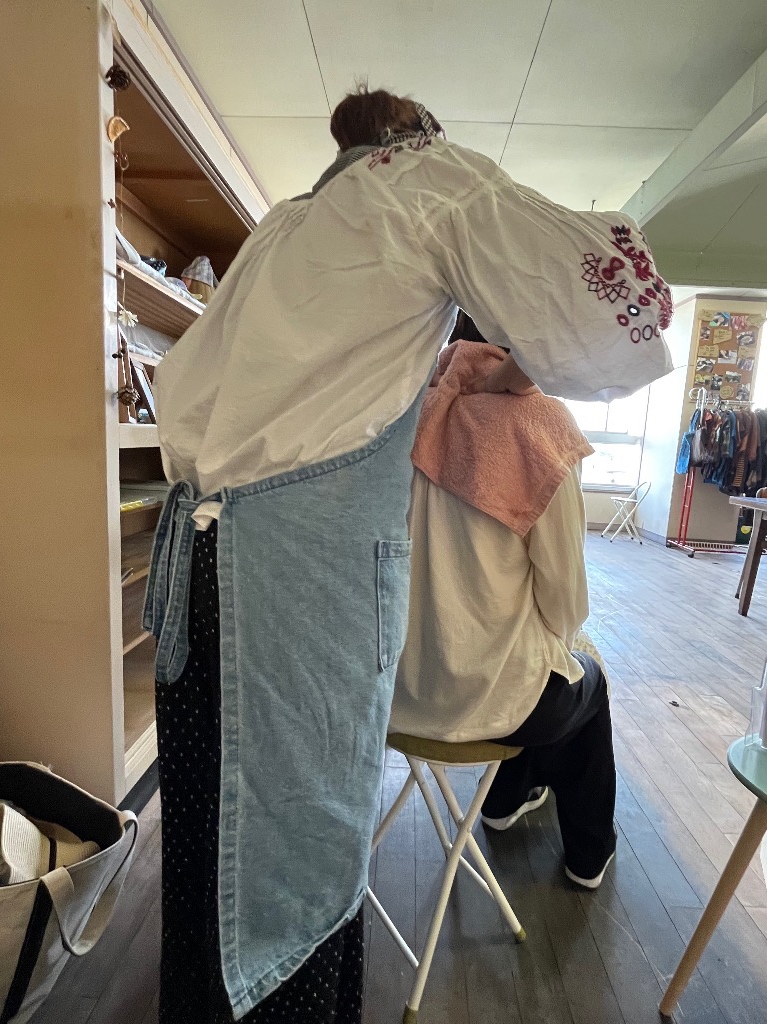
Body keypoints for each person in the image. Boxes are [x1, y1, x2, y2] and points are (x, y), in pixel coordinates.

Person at [145, 87, 672, 1023]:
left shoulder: (290, 223)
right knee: (296, 855)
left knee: (213, 846)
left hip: (207, 568)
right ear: (418, 134)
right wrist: (525, 369)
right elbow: (599, 310)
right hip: (296, 584)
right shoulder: (427, 182)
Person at [391, 315, 617, 888]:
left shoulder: (402, 415)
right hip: (490, 704)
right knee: (582, 678)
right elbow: (565, 597)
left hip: (395, 695)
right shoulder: (540, 427)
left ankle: (507, 798)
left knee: (537, 665)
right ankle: (589, 852)